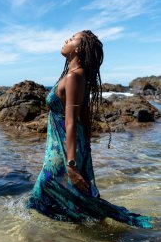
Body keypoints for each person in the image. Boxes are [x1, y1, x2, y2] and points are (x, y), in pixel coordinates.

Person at [26, 30, 153, 229]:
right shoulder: (77, 76)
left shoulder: (74, 77)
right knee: (73, 197)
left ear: (78, 48)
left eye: (72, 38)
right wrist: (86, 150)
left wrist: (72, 164)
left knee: (44, 194)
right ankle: (96, 232)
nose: (66, 39)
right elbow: (83, 117)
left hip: (63, 152)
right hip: (72, 147)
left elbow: (70, 121)